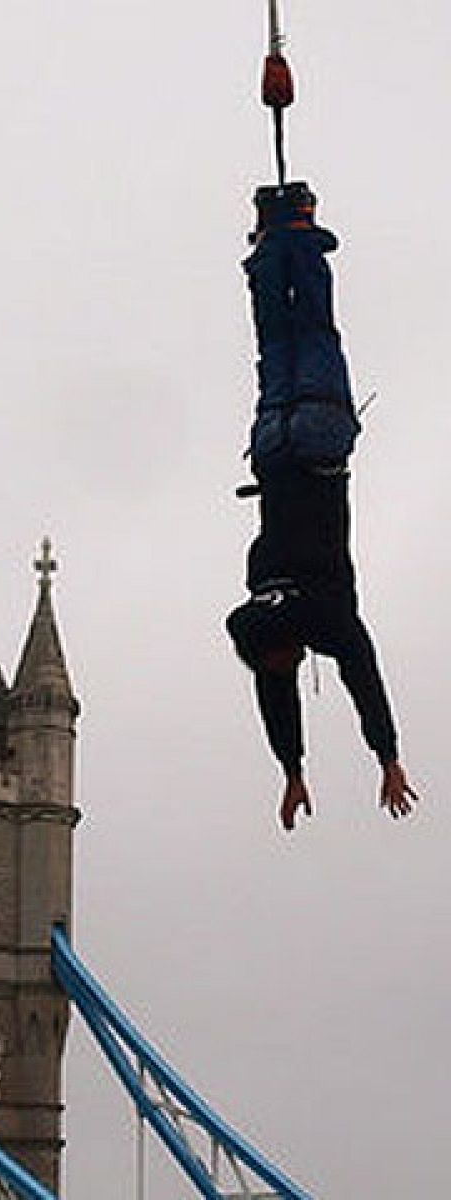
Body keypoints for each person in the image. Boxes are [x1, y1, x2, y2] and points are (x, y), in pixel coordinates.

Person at [226, 182, 418, 830]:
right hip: (272, 444)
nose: (286, 670)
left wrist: (387, 756)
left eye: (282, 662)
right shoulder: (261, 610)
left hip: (317, 438)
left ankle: (299, 233)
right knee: (275, 344)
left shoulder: (324, 617)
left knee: (314, 331)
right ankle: (268, 245)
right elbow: (275, 697)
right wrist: (292, 769)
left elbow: (364, 679)